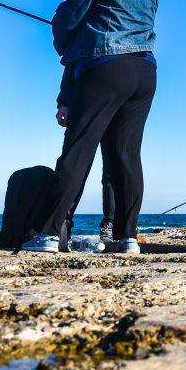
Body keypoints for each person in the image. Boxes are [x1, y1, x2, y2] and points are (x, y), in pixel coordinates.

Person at [27, 0, 157, 254]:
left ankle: (49, 234)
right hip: (145, 72)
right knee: (126, 156)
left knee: (78, 150)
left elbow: (66, 22)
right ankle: (127, 239)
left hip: (105, 69)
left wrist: (63, 35)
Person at [56, 65, 115, 243]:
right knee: (75, 161)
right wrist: (64, 102)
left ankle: (111, 224)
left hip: (120, 92)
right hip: (85, 94)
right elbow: (72, 58)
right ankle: (61, 222)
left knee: (114, 166)